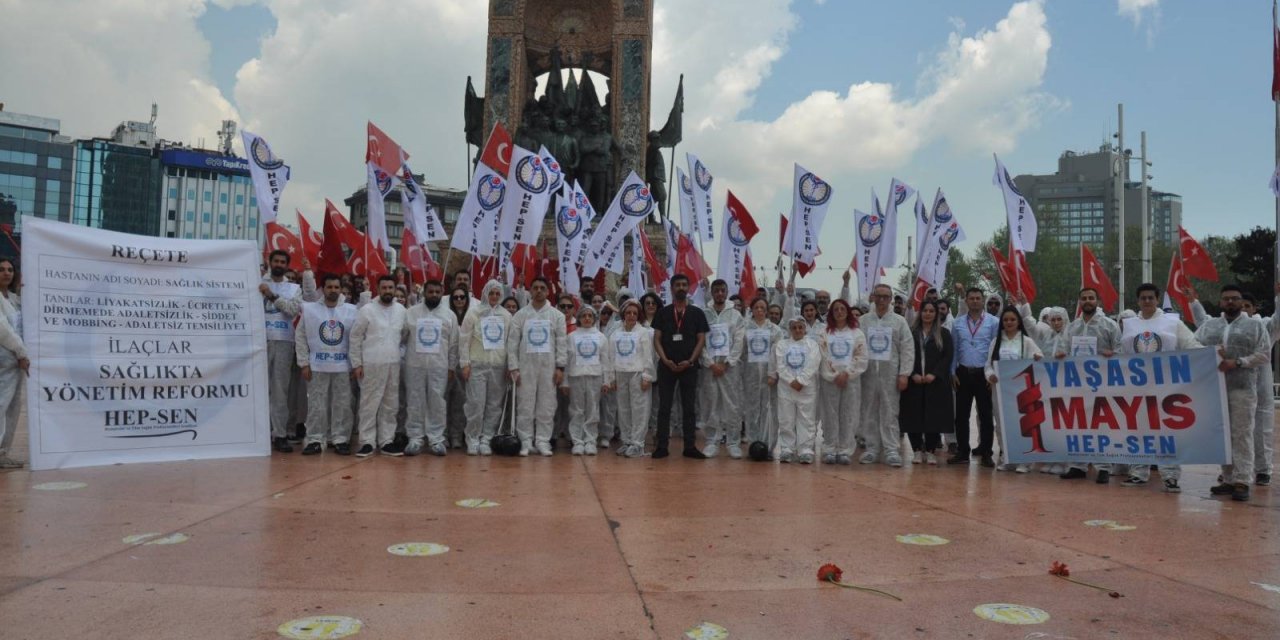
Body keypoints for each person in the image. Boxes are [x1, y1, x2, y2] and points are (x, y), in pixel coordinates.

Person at [1188, 284, 1277, 487]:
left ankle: (1242, 480)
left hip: (1242, 389)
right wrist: (1210, 353)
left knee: (1242, 434)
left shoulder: (1255, 326)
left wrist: (1238, 362)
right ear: (1221, 302)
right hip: (1215, 390)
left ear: (1241, 302)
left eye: (1235, 298)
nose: (1231, 302)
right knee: (1222, 435)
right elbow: (1192, 344)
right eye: (1226, 298)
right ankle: (1227, 479)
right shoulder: (1211, 326)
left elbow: (1264, 354)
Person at [1118, 283, 1200, 492]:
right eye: (1143, 298)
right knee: (1138, 431)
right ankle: (1138, 473)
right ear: (1138, 301)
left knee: (1167, 432)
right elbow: (1123, 354)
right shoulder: (1129, 326)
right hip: (1137, 387)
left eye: (1150, 298)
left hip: (1167, 386)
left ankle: (1171, 476)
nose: (1147, 302)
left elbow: (1191, 345)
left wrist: (1211, 355)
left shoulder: (1172, 323)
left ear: (1156, 300)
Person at [1057, 288, 1122, 482]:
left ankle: (1103, 467)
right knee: (1078, 424)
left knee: (1101, 425)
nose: (1087, 301)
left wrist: (1113, 355)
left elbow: (1121, 351)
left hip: (1102, 383)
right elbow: (1063, 349)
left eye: (1091, 298)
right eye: (1084, 298)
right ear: (1079, 302)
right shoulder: (1072, 327)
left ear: (1097, 300)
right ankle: (1078, 465)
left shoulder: (1110, 325)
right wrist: (1061, 355)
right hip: (1077, 383)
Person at [294, 274, 357, 455]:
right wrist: (304, 363)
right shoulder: (310, 309)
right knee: (316, 404)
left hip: (342, 366)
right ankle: (315, 438)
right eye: (329, 287)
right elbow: (301, 337)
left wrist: (355, 364)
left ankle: (340, 439)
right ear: (323, 289)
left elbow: (356, 339)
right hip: (317, 366)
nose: (333, 291)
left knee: (343, 404)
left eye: (336, 287)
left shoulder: (351, 310)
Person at [651, 274, 710, 459]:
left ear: (688, 288)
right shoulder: (663, 313)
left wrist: (691, 360)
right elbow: (657, 339)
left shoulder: (697, 313)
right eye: (678, 285)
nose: (681, 288)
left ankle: (690, 446)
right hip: (666, 366)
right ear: (672, 288)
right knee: (664, 408)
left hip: (689, 367)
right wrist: (665, 359)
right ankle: (662, 446)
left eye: (685, 285)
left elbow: (701, 339)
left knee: (689, 408)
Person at [507, 277, 568, 456]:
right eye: (535, 287)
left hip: (548, 368)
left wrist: (560, 367)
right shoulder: (521, 315)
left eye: (542, 288)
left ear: (548, 291)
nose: (539, 291)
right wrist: (514, 368)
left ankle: (542, 441)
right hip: (525, 367)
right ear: (530, 291)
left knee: (547, 405)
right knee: (525, 404)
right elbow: (512, 343)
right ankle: (526, 441)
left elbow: (562, 343)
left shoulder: (557, 316)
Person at [349, 275, 408, 457]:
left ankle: (386, 441)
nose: (388, 291)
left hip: (393, 363)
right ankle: (367, 442)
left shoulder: (401, 310)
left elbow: (404, 334)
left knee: (390, 404)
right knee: (369, 403)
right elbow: (355, 337)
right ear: (378, 288)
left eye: (391, 288)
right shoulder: (367, 310)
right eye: (385, 288)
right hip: (371, 363)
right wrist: (357, 363)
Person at [859, 284, 915, 467]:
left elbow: (907, 349)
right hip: (867, 375)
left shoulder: (899, 321)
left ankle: (892, 449)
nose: (882, 300)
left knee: (890, 412)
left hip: (890, 375)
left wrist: (904, 374)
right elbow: (857, 348)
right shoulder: (864, 321)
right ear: (873, 298)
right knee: (869, 411)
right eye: (878, 296)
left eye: (885, 296)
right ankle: (872, 448)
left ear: (891, 299)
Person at [403, 279, 459, 457]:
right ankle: (415, 438)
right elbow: (403, 338)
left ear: (442, 293)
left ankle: (436, 438)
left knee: (437, 401)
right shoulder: (411, 313)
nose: (434, 295)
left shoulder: (449, 315)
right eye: (431, 292)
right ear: (424, 293)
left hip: (439, 366)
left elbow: (453, 345)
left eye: (437, 292)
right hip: (414, 365)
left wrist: (451, 366)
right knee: (414, 400)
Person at [985, 305, 1043, 472]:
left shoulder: (1027, 341)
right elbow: (987, 366)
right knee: (1002, 424)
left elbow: (1040, 360)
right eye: (1006, 320)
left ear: (1018, 321)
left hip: (1022, 390)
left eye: (1012, 319)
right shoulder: (996, 342)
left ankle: (1024, 460)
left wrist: (1038, 359)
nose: (1009, 322)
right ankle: (1008, 458)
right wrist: (990, 376)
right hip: (1000, 391)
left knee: (1023, 423)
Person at [949, 287, 1000, 467]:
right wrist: (952, 371)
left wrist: (991, 373)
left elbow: (995, 350)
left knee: (986, 415)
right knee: (961, 415)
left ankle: (986, 451)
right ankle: (963, 451)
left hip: (983, 373)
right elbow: (954, 348)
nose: (975, 301)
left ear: (983, 300)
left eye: (978, 298)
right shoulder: (958, 323)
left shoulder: (994, 322)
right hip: (963, 372)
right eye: (971, 298)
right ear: (967, 301)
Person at [900, 300, 954, 465]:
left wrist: (935, 374)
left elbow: (947, 357)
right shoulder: (911, 332)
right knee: (913, 415)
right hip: (915, 380)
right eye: (925, 311)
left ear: (936, 314)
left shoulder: (943, 334)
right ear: (920, 312)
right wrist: (912, 373)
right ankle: (916, 450)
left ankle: (930, 450)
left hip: (935, 382)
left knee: (934, 416)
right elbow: (905, 354)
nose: (928, 314)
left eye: (931, 311)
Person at [460, 281, 511, 456]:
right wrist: (464, 363)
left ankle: (487, 437)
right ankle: (472, 437)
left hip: (498, 365)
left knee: (494, 405)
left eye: (498, 294)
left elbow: (510, 342)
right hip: (477, 364)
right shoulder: (474, 313)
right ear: (485, 294)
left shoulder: (506, 316)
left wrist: (509, 365)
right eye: (491, 293)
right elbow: (464, 339)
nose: (494, 297)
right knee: (475, 403)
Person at [260, 250, 303, 452]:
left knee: (280, 390)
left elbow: (292, 310)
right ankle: (259, 432)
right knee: (260, 390)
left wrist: (270, 295)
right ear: (269, 262)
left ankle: (280, 434)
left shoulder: (293, 288)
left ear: (287, 265)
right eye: (275, 260)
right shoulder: (257, 282)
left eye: (282, 261)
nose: (278, 264)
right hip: (259, 343)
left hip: (284, 342)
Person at [699, 279, 746, 458]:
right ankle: (712, 441)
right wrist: (710, 363)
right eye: (716, 290)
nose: (719, 293)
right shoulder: (704, 314)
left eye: (722, 290)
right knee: (711, 403)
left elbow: (738, 341)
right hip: (710, 367)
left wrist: (727, 363)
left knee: (732, 404)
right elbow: (700, 340)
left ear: (727, 292)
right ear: (711, 292)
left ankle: (733, 442)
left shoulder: (735, 315)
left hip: (729, 368)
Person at [819, 299, 868, 465]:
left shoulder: (857, 333)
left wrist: (846, 373)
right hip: (830, 380)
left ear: (847, 311)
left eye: (842, 309)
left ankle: (845, 449)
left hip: (850, 381)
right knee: (830, 414)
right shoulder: (825, 332)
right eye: (836, 310)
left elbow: (861, 356)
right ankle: (830, 448)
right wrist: (834, 375)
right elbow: (822, 355)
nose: (839, 312)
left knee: (849, 414)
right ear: (831, 313)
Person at [608, 300, 655, 458]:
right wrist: (612, 378)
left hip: (638, 374)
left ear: (639, 315)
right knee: (623, 409)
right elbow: (611, 356)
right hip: (621, 374)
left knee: (639, 410)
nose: (631, 316)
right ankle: (627, 441)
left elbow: (648, 356)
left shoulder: (643, 332)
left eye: (635, 313)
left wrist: (647, 376)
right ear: (623, 314)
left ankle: (637, 444)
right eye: (628, 313)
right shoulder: (615, 334)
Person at [771, 317, 822, 463]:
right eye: (794, 327)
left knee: (806, 419)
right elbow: (780, 365)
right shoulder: (781, 345)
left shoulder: (812, 345)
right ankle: (787, 448)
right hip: (786, 388)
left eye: (801, 327)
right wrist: (791, 380)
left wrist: (801, 380)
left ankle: (805, 449)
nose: (798, 330)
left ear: (805, 328)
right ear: (790, 329)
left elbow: (813, 363)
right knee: (786, 418)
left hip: (806, 388)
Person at [563, 306, 611, 455]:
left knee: (592, 409)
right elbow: (566, 360)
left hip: (595, 376)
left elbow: (605, 360)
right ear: (579, 318)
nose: (587, 318)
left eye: (590, 316)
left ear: (594, 318)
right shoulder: (571, 337)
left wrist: (606, 381)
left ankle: (590, 441)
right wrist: (564, 382)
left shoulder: (601, 337)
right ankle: (577, 441)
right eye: (584, 316)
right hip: (575, 376)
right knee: (576, 410)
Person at [742, 296, 784, 453]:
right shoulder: (745, 328)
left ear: (766, 311)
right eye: (756, 308)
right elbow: (741, 352)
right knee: (752, 410)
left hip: (769, 378)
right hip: (750, 376)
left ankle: (768, 445)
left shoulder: (775, 330)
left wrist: (773, 373)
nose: (759, 310)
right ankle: (754, 445)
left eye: (762, 308)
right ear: (751, 310)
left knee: (769, 410)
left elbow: (778, 354)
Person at [0, 258, 26, 469]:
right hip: (5, 358)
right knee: (1, 405)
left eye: (10, 270)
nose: (6, 273)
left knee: (13, 406)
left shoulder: (14, 299)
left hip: (16, 362)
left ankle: (3, 452)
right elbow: (5, 331)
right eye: (1, 270)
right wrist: (21, 352)